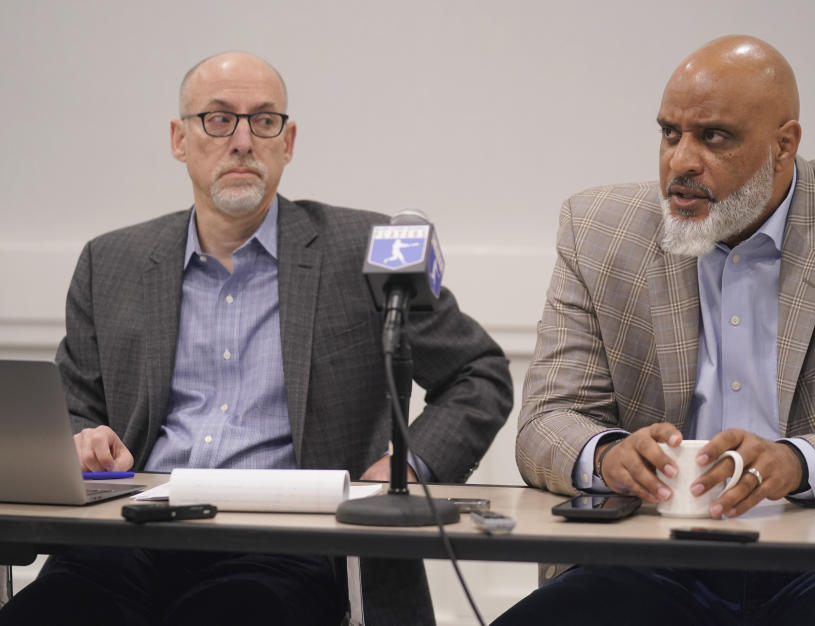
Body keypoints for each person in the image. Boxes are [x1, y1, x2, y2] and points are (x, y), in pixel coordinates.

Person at [0, 52, 512, 626]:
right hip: (128, 536)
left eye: (264, 121)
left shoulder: (364, 244)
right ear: (179, 138)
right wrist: (82, 440)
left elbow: (478, 375)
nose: (242, 140)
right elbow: (72, 409)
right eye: (218, 119)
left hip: (290, 545)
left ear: (287, 143)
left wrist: (406, 467)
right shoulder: (110, 261)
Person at [497, 35, 815, 626]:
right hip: (644, 557)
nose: (681, 162)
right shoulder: (598, 231)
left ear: (784, 145)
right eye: (670, 133)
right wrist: (610, 455)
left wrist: (799, 464)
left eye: (713, 137)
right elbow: (545, 423)